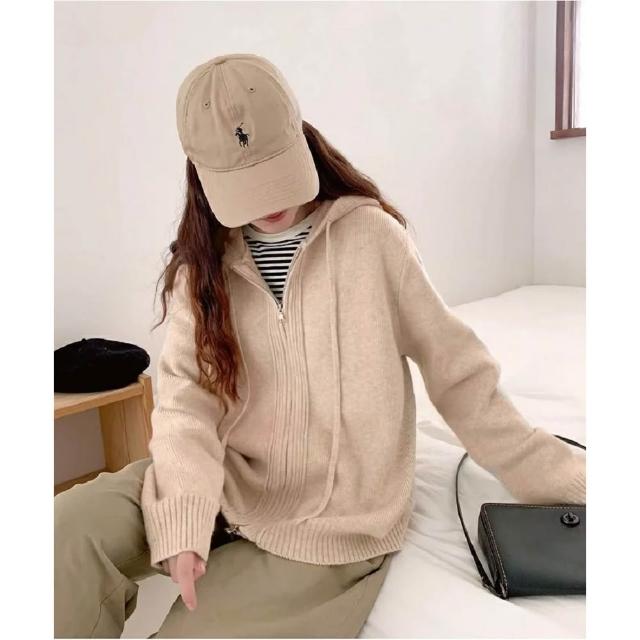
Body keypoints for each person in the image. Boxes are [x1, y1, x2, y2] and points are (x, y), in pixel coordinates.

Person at [54, 53, 586, 638]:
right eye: (243, 186)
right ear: (203, 179)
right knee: (60, 538)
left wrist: (562, 477)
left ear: (300, 137)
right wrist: (183, 519)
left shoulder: (372, 239)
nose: (267, 202)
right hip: (223, 477)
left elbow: (459, 375)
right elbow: (186, 406)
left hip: (333, 516)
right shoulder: (201, 269)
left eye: (275, 171)